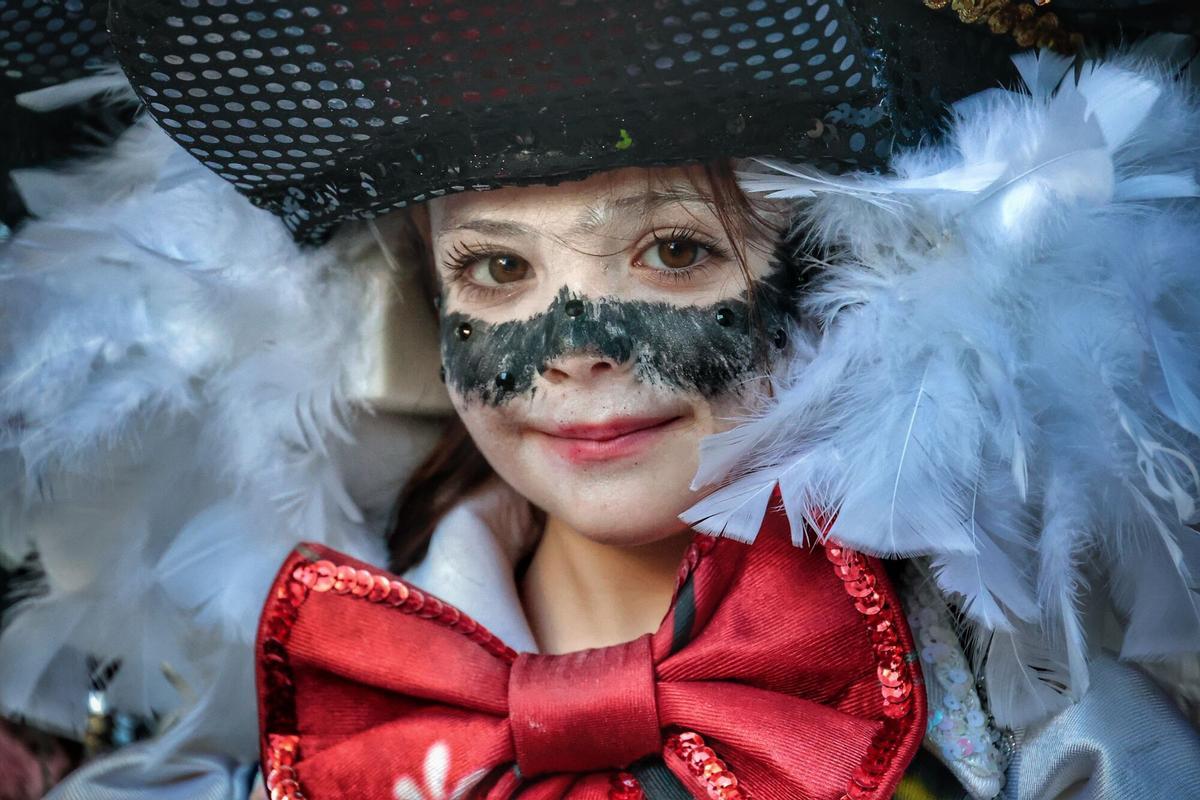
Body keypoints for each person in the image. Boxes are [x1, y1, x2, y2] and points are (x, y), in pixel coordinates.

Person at [1, 1, 1199, 799]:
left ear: (842, 271)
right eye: (499, 269)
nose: (573, 351)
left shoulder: (1021, 695)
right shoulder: (314, 711)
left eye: (674, 251)